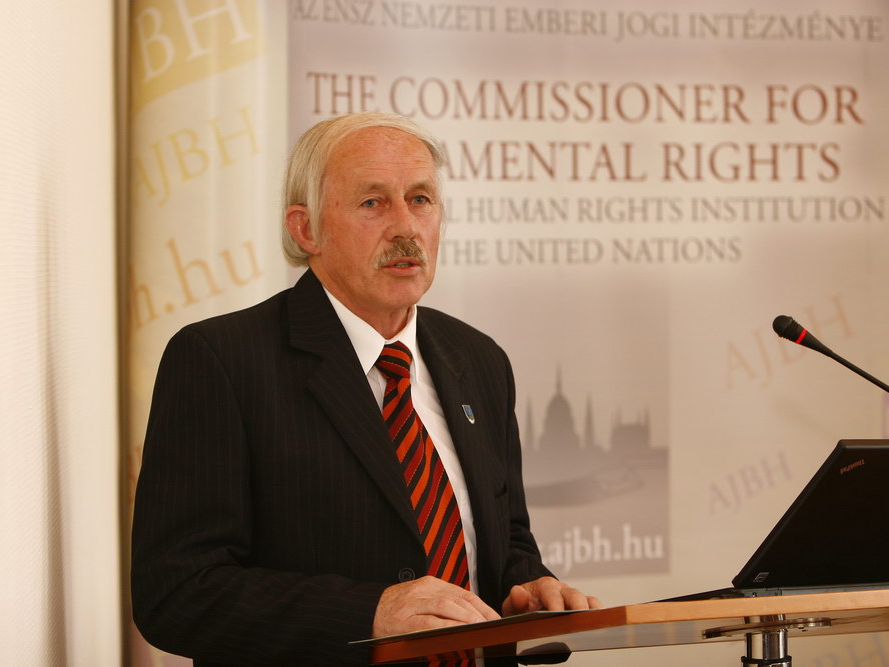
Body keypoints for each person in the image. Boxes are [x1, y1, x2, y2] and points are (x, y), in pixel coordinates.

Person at [131, 112, 601, 666]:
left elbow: (509, 541)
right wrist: (367, 614)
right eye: (373, 202)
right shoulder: (222, 361)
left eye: (420, 199)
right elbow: (177, 593)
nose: (406, 227)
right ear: (305, 229)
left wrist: (529, 586)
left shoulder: (479, 360)